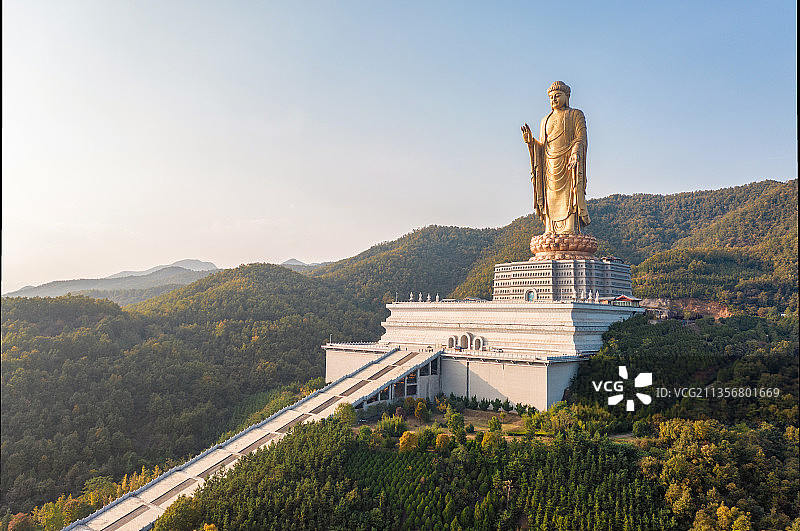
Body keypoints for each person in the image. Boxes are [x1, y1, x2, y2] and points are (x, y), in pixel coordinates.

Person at [522, 81, 591, 234]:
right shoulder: (545, 120)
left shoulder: (575, 115)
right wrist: (531, 142)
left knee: (570, 194)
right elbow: (542, 147)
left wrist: (575, 152)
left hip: (569, 164)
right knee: (549, 196)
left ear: (567, 97)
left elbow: (581, 138)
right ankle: (550, 228)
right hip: (549, 165)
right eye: (551, 97)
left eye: (557, 96)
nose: (553, 100)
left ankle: (570, 227)